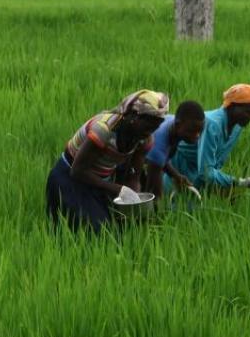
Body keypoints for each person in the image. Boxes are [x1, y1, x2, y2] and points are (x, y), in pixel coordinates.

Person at [45, 90, 168, 232]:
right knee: (95, 231)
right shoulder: (104, 130)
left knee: (119, 228)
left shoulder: (144, 139)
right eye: (148, 125)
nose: (151, 131)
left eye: (156, 127)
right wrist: (116, 189)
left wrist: (133, 201)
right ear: (134, 116)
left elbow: (134, 174)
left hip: (99, 181)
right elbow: (77, 171)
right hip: (69, 179)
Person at [172, 84, 250, 194]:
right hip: (180, 165)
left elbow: (215, 163)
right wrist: (240, 182)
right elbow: (205, 172)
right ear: (232, 106)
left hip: (198, 170)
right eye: (248, 111)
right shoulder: (213, 125)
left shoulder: (237, 126)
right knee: (177, 206)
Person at [144, 100, 206, 196]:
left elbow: (162, 159)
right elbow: (154, 191)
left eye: (199, 131)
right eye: (192, 131)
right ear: (177, 124)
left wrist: (176, 176)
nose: (197, 136)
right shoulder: (158, 145)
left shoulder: (175, 124)